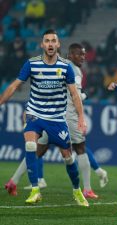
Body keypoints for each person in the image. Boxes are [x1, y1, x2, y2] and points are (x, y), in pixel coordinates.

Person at [4, 44, 109, 198]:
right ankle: (86, 189)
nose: (83, 57)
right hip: (67, 116)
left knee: (37, 150)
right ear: (71, 55)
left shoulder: (59, 67)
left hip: (50, 115)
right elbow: (76, 95)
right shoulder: (73, 69)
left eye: (84, 54)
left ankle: (13, 181)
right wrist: (83, 100)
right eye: (80, 54)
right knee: (80, 148)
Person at [0, 29, 88, 206]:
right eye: (46, 41)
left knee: (68, 157)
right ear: (42, 44)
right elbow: (15, 85)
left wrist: (81, 117)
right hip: (35, 114)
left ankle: (77, 190)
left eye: (53, 41)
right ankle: (35, 190)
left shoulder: (65, 66)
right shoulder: (32, 64)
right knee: (31, 145)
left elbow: (74, 94)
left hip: (56, 118)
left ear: (58, 44)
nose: (50, 44)